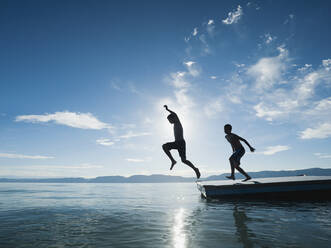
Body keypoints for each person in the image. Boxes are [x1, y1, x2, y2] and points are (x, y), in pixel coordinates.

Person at [162, 105, 201, 179]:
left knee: (184, 160)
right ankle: (173, 160)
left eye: (169, 120)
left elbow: (175, 113)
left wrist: (167, 109)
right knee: (164, 146)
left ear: (173, 118)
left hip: (181, 143)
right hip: (176, 143)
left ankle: (195, 169)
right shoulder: (175, 124)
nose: (169, 122)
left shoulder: (177, 122)